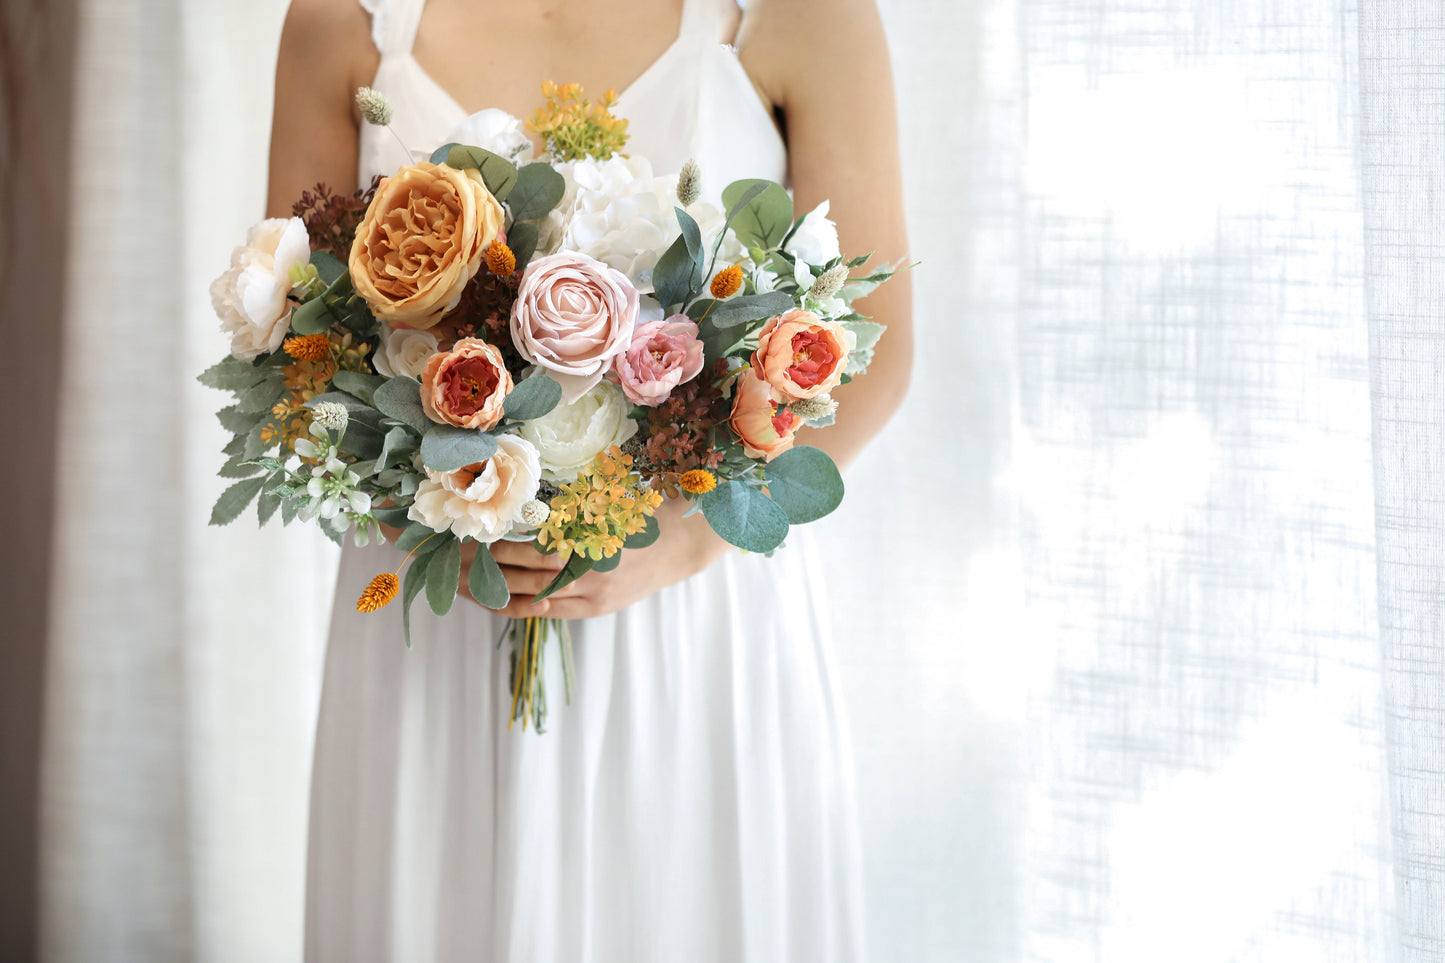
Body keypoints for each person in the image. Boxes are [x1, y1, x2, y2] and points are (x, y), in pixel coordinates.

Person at [266, 0, 911, 958]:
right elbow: (295, 331)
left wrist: (682, 542)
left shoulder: (801, 15)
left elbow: (873, 346)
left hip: (697, 613)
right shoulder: (341, 22)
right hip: (437, 613)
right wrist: (452, 496)